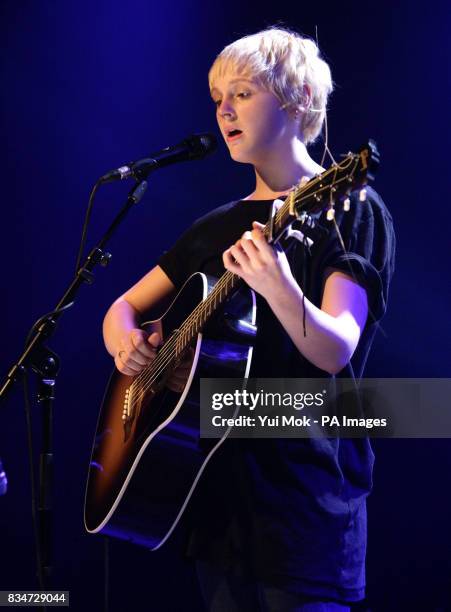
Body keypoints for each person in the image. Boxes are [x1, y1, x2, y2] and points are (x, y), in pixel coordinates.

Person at [102, 27, 395, 612]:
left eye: (242, 93)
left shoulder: (347, 207)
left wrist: (279, 286)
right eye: (217, 99)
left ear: (297, 103)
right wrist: (127, 345)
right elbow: (122, 308)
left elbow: (336, 348)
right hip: (213, 506)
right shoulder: (216, 225)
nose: (224, 111)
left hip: (305, 511)